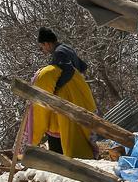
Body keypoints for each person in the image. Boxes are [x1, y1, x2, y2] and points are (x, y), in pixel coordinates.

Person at [28, 28, 96, 158]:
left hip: (69, 97)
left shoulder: (59, 53)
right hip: (78, 94)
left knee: (66, 129)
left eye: (42, 46)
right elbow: (83, 66)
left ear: (47, 43)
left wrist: (55, 88)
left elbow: (68, 70)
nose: (43, 50)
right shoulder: (67, 48)